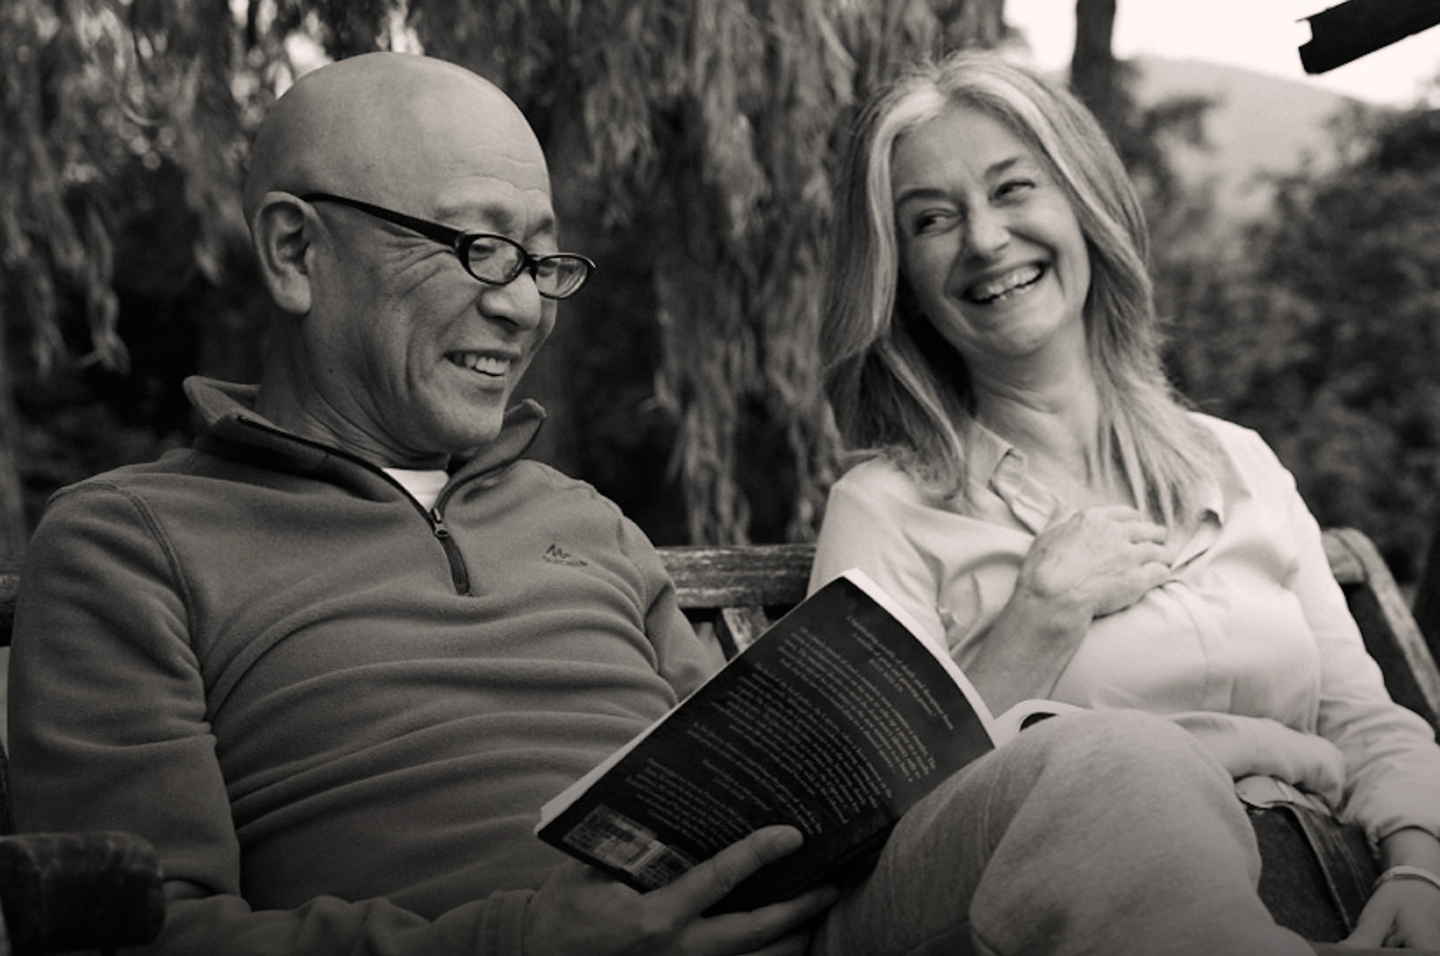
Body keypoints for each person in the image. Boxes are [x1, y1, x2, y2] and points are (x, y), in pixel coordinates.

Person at [0, 50, 1379, 956]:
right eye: (478, 247)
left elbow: (809, 792)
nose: (521, 306)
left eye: (545, 262)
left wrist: (1206, 738)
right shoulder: (133, 543)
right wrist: (528, 939)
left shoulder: (585, 523)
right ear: (297, 251)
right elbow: (137, 931)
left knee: (1111, 768)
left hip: (808, 934)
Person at [809, 48, 1440, 951]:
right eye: (932, 221)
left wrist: (1420, 870)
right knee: (1121, 763)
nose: (984, 240)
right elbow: (862, 813)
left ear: (1084, 203)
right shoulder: (886, 507)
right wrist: (1037, 621)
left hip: (1318, 882)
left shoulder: (1239, 463)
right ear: (900, 280)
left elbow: (1367, 725)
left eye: (1013, 189)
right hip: (1029, 908)